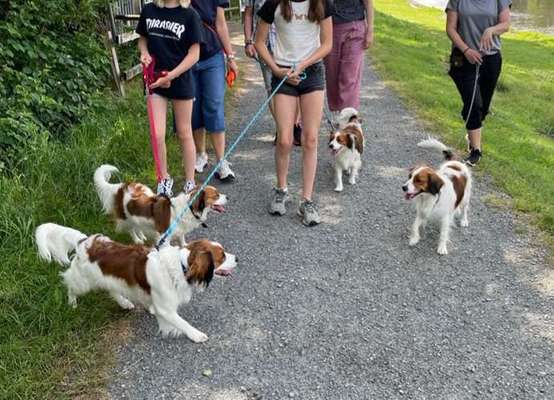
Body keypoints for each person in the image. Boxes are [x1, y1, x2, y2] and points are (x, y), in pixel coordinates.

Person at [255, 0, 332, 226]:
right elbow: (259, 42)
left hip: (312, 72)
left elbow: (327, 44)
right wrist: (276, 69)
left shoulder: (321, 3)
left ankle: (306, 200)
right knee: (285, 139)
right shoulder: (274, 4)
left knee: (310, 138)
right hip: (283, 74)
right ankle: (281, 189)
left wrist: (304, 63)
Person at [136, 0, 203, 196]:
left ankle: (190, 182)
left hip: (180, 80)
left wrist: (172, 75)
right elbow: (142, 38)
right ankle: (164, 179)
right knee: (157, 134)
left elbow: (195, 54)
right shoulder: (149, 9)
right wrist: (144, 52)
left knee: (184, 133)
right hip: (155, 81)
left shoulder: (190, 15)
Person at [446, 0, 511, 166]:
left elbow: (505, 24)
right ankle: (476, 150)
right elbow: (451, 29)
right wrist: (466, 50)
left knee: (482, 106)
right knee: (473, 102)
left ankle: (472, 127)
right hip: (463, 58)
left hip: (491, 59)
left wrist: (491, 30)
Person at [190, 0, 239, 180]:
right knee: (193, 109)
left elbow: (220, 22)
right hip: (186, 58)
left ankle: (221, 161)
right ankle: (200, 154)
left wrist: (231, 56)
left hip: (212, 55)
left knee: (214, 105)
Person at [243, 0, 303, 146]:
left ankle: (295, 125)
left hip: (288, 44)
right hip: (265, 45)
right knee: (272, 88)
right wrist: (248, 41)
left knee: (294, 84)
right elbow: (248, 14)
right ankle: (282, 127)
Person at [324, 0, 373, 116]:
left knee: (349, 77)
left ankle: (348, 122)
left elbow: (368, 2)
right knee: (332, 77)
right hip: (330, 27)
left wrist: (370, 29)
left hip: (355, 27)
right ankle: (342, 114)